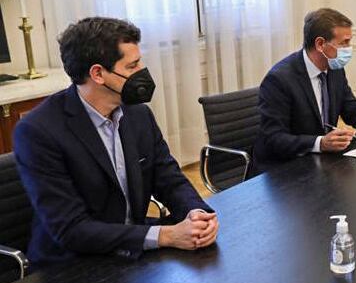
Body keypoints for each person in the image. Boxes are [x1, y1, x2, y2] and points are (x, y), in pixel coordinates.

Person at [14, 17, 218, 265]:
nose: (142, 71)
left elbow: (169, 178)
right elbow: (71, 230)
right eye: (132, 66)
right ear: (98, 74)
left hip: (133, 251)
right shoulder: (38, 131)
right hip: (72, 266)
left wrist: (197, 214)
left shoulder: (138, 114)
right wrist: (166, 235)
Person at [251, 8, 356, 174]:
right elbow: (273, 139)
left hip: (318, 162)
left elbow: (350, 106)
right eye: (344, 43)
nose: (348, 48)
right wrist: (320, 143)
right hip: (281, 169)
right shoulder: (279, 80)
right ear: (320, 44)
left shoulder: (334, 68)